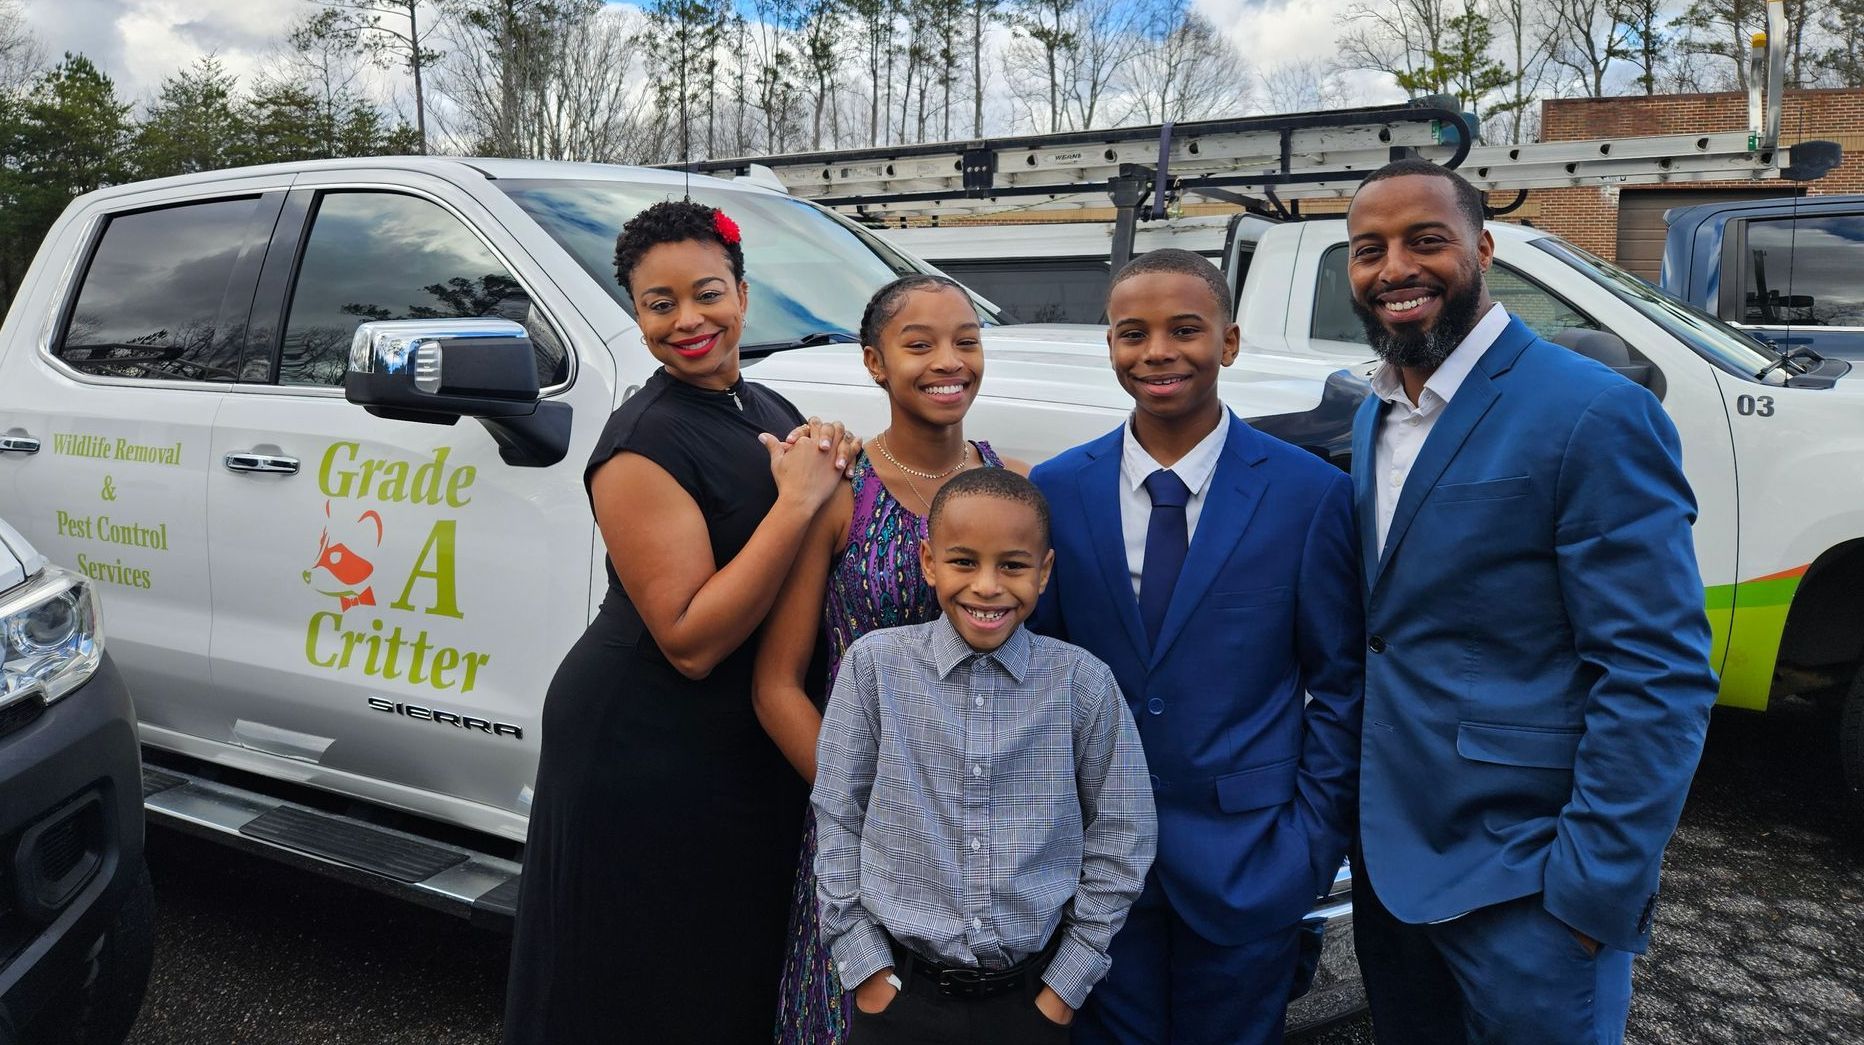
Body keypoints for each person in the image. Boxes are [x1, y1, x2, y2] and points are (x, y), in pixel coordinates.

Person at [1343, 159, 1718, 1044]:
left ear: (1483, 247)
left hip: (1528, 885)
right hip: (1394, 874)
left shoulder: (1592, 413)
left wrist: (1592, 891)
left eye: (1425, 240)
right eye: (1369, 250)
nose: (1395, 267)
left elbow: (1658, 674)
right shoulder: (1380, 411)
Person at [503, 199, 854, 1043]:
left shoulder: (765, 406)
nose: (688, 320)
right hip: (645, 744)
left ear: (743, 292)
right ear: (638, 313)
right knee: (633, 981)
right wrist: (797, 502)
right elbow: (691, 640)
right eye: (660, 304)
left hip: (738, 747)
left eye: (707, 294)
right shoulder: (641, 443)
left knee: (724, 974)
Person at [1030, 248, 1364, 1044]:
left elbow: (1342, 682)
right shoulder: (1058, 487)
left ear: (1231, 341)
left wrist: (1310, 844)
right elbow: (1040, 673)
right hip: (1094, 868)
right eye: (1132, 333)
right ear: (1109, 345)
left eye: (1186, 329)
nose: (1158, 351)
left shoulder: (1308, 492)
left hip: (1250, 859)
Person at [755, 274, 1024, 1045]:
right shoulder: (842, 493)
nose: (949, 360)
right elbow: (776, 684)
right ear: (876, 363)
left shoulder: (1010, 490)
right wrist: (866, 810)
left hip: (983, 834)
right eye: (920, 344)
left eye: (966, 340)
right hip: (862, 827)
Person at [810, 468, 1157, 1044]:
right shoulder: (875, 668)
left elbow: (1125, 834)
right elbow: (838, 816)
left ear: (1044, 572)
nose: (988, 587)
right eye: (964, 562)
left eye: (1013, 566)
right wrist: (865, 967)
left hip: (1029, 1001)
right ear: (928, 562)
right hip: (898, 996)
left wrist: (1064, 988)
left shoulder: (1082, 684)